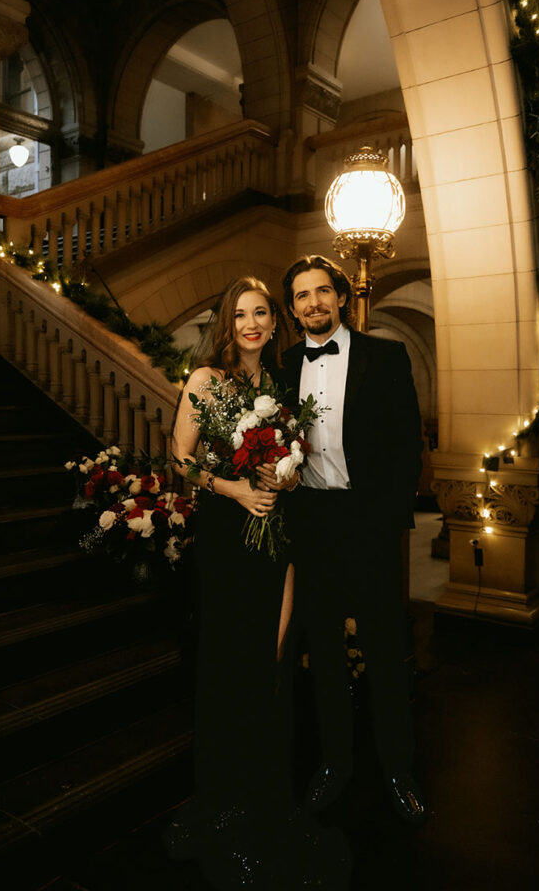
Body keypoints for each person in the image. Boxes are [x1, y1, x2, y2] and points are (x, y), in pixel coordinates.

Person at [164, 275, 349, 890]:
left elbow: (288, 460)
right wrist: (236, 488)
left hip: (275, 536)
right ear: (228, 322)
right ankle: (225, 805)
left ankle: (266, 795)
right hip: (226, 537)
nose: (251, 323)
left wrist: (285, 476)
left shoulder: (277, 385)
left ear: (274, 324)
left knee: (269, 665)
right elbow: (181, 458)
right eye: (240, 313)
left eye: (261, 313)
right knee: (229, 665)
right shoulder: (205, 381)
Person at [273, 254, 426, 825]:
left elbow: (407, 447)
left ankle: (398, 770)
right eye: (301, 296)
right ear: (292, 309)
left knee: (386, 652)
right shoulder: (282, 367)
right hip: (311, 526)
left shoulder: (385, 356)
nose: (312, 303)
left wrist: (385, 520)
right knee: (327, 657)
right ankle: (334, 766)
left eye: (321, 292)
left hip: (370, 525)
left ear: (340, 297)